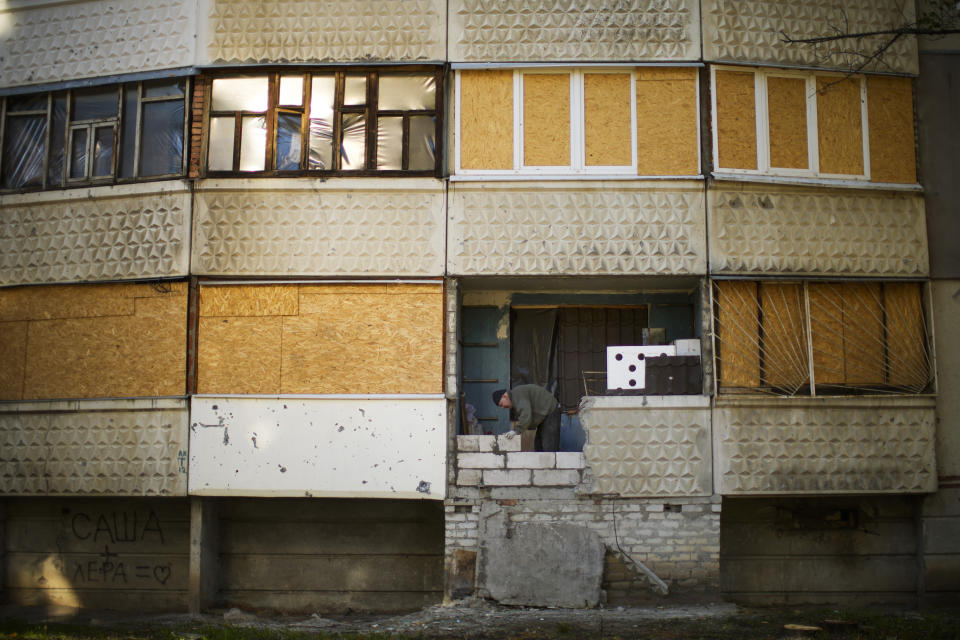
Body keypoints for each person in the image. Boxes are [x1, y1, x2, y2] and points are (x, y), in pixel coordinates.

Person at [492, 384, 560, 452]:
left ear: (505, 396)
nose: (503, 407)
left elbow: (526, 414)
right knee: (539, 446)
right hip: (544, 415)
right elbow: (527, 417)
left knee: (549, 446)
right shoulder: (514, 399)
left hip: (551, 410)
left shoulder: (517, 395)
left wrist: (516, 431)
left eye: (501, 404)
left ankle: (553, 462)